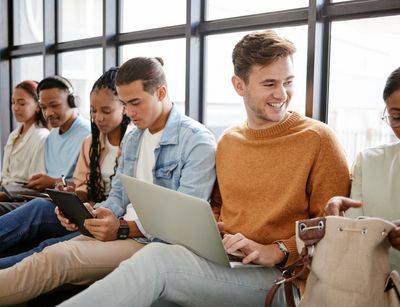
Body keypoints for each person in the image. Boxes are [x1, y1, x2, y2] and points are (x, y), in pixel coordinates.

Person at [58, 30, 350, 307]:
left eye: (288, 82)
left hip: (284, 277)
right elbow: (218, 207)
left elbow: (335, 228)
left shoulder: (318, 140)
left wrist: (278, 249)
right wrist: (212, 232)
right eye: (269, 84)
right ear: (239, 85)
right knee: (146, 289)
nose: (282, 94)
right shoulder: (229, 141)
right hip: (228, 261)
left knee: (157, 262)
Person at [0, 57, 216, 306]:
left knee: (56, 258)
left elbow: (184, 219)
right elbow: (117, 197)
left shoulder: (196, 141)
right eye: (124, 104)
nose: (128, 112)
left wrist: (124, 228)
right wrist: (92, 213)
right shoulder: (134, 138)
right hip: (125, 233)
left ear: (161, 92)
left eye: (135, 103)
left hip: (154, 242)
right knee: (48, 253)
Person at [0, 68, 131, 269]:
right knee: (37, 208)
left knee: (49, 246)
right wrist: (71, 194)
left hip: (108, 218)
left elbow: (122, 202)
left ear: (125, 108)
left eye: (106, 111)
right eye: (94, 111)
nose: (98, 118)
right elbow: (83, 190)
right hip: (87, 210)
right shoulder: (91, 143)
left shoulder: (133, 145)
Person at [324, 66, 400, 272]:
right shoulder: (369, 162)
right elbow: (354, 239)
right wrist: (337, 223)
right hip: (375, 289)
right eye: (397, 118)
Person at [0, 75, 91, 215]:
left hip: (67, 205)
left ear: (72, 101)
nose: (48, 113)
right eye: (43, 107)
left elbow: (86, 185)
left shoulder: (87, 135)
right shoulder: (52, 136)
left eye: (55, 105)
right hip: (46, 199)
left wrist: (52, 182)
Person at [0, 80, 49, 205]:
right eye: (13, 102)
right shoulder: (14, 135)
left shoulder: (41, 137)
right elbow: (5, 176)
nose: (15, 108)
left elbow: (33, 188)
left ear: (38, 106)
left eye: (22, 103)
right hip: (5, 191)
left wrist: (3, 195)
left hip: (20, 199)